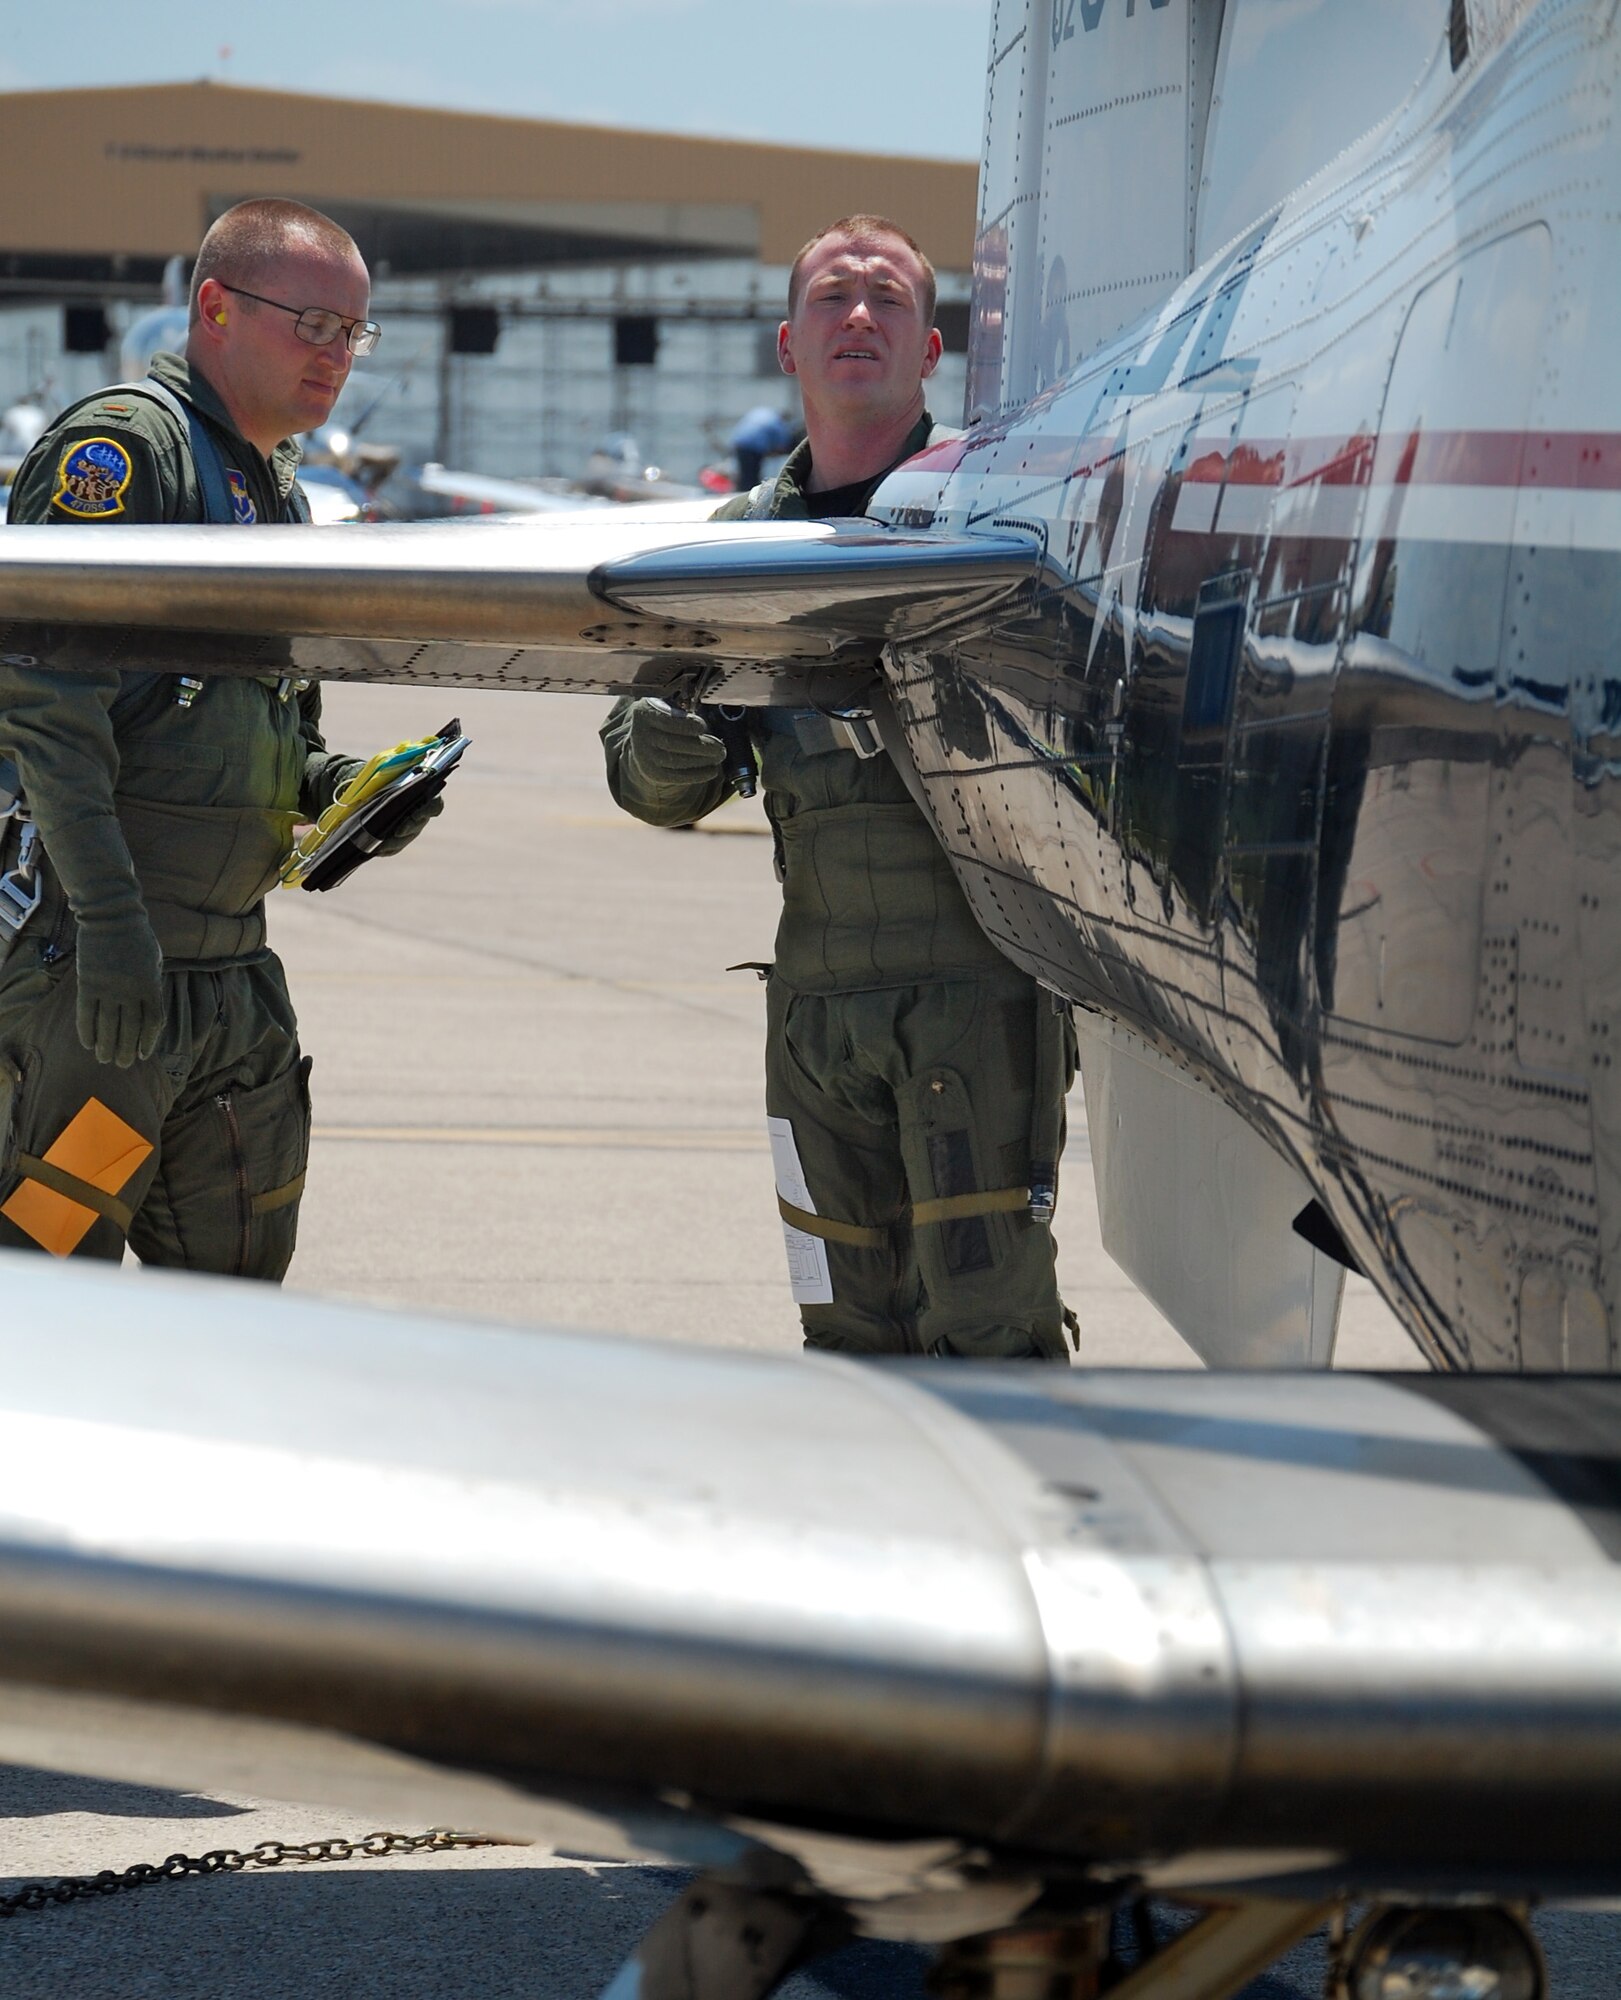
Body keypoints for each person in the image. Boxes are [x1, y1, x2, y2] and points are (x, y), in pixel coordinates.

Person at [602, 216, 1076, 1361]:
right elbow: (646, 777)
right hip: (815, 1013)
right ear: (787, 343)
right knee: (845, 1333)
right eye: (831, 297)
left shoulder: (997, 514)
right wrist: (671, 733)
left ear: (930, 351)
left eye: (886, 301)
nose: (857, 318)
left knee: (989, 1329)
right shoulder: (734, 548)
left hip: (975, 995)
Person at [0, 198, 440, 1278]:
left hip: (229, 984)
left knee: (233, 1316)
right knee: (50, 1305)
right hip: (102, 984)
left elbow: (256, 719)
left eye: (354, 333)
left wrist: (348, 789)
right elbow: (46, 709)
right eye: (313, 324)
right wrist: (108, 923)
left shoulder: (272, 484)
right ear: (214, 308)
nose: (336, 356)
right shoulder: (123, 453)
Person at [727, 404, 799, 491]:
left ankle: (742, 490)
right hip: (754, 447)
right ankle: (748, 493)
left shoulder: (762, 412)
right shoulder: (778, 423)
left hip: (739, 442)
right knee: (752, 475)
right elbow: (783, 444)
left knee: (744, 473)